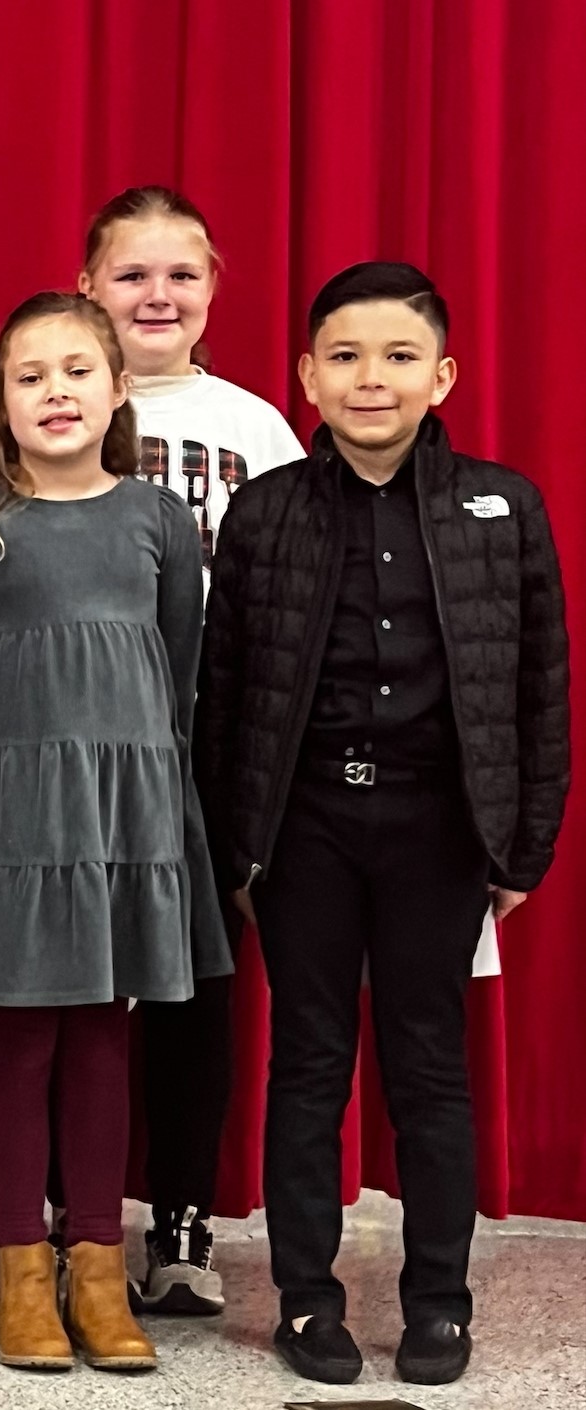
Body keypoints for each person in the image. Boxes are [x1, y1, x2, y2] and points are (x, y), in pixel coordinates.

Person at [198, 262, 570, 1388]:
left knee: (429, 1068)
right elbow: (225, 693)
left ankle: (440, 1306)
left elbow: (542, 688)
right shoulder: (267, 511)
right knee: (308, 1065)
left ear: (441, 376)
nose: (372, 378)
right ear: (307, 375)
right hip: (305, 828)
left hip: (439, 829)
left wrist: (522, 847)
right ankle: (307, 1302)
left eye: (400, 357)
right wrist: (237, 849)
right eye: (346, 356)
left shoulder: (503, 508)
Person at [0, 189, 305, 1312]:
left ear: (213, 289)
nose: (158, 295)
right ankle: (53, 1230)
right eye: (132, 274)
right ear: (89, 287)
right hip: (35, 766)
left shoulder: (256, 427)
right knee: (47, 1009)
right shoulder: (0, 461)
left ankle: (179, 1222)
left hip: (183, 751)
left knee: (187, 995)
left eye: (181, 275)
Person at [0, 291, 227, 1374]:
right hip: (4, 825)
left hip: (122, 820)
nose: (55, 393)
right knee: (19, 1039)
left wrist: (159, 818)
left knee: (102, 1039)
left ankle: (97, 1264)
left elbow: (177, 679)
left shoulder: (157, 519)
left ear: (119, 389)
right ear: (0, 398)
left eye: (77, 371)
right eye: (30, 376)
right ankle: (20, 1272)